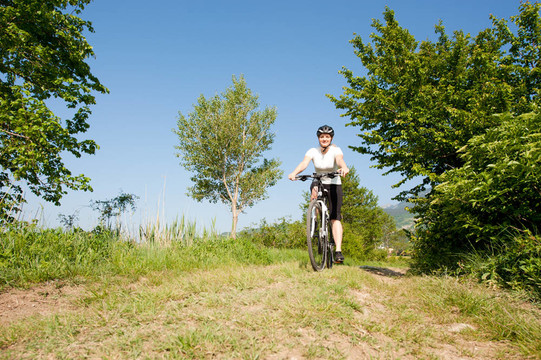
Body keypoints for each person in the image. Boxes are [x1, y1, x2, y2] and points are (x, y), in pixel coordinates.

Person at [288, 125, 349, 263]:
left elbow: (339, 160)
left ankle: (338, 251)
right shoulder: (313, 151)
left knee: (335, 218)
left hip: (334, 183)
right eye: (322, 137)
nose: (324, 139)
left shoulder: (336, 150)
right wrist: (294, 173)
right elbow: (304, 163)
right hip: (319, 180)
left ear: (331, 138)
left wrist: (343, 167)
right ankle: (314, 220)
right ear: (318, 138)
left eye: (327, 137)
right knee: (314, 194)